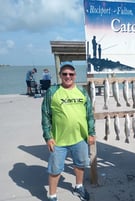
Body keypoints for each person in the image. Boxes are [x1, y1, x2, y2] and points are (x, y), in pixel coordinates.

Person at [41, 62, 96, 201]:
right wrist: (48, 137)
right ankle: (52, 195)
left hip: (80, 138)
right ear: (60, 75)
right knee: (55, 170)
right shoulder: (52, 92)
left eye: (71, 74)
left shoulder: (82, 92)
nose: (68, 76)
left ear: (75, 76)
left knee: (80, 164)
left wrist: (91, 132)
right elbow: (45, 115)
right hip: (59, 140)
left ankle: (79, 186)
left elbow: (89, 114)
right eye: (65, 74)